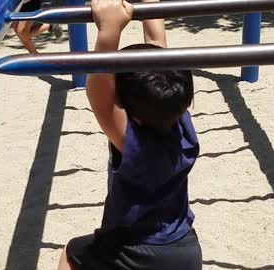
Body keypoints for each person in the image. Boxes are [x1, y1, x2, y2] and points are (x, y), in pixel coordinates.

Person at [57, 0, 202, 269]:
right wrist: (150, 6)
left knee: (70, 253)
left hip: (137, 248)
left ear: (127, 110)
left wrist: (109, 30)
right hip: (185, 247)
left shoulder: (130, 140)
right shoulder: (179, 117)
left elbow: (98, 93)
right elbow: (159, 49)